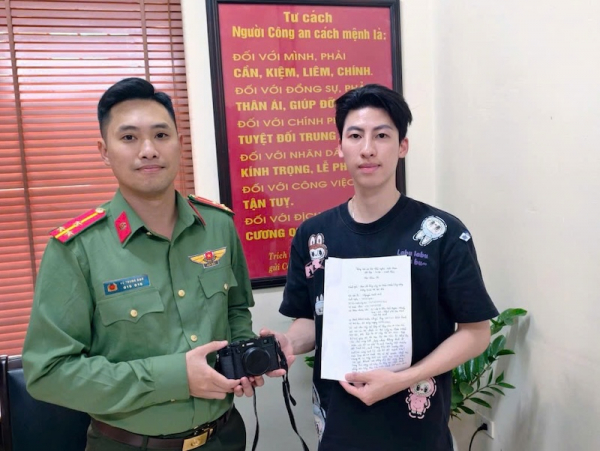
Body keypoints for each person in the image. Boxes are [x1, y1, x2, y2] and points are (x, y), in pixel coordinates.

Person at [22, 77, 264, 451]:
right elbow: (48, 373)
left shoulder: (217, 225)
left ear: (179, 142)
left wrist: (243, 358)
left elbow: (234, 310)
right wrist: (174, 377)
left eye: (161, 135)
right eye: (129, 137)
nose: (148, 150)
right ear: (104, 151)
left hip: (225, 437)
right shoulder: (77, 249)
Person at [261, 84, 499, 451]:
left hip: (418, 430)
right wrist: (288, 343)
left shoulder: (442, 233)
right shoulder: (314, 235)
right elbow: (311, 318)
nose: (368, 148)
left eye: (382, 135)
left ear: (402, 146)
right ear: (340, 146)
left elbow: (476, 332)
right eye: (355, 135)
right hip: (339, 427)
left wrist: (404, 379)